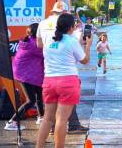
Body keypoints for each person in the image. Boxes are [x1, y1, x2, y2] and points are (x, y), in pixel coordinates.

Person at [36, 14, 92, 148]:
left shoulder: (48, 39)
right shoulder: (71, 41)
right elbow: (84, 60)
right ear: (72, 27)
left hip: (49, 82)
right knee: (61, 119)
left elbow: (39, 44)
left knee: (47, 118)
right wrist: (88, 45)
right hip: (68, 82)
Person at [4, 23, 44, 131]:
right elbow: (47, 54)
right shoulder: (34, 44)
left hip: (32, 73)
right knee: (31, 101)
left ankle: (41, 118)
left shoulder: (29, 40)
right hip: (25, 75)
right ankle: (11, 121)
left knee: (40, 96)